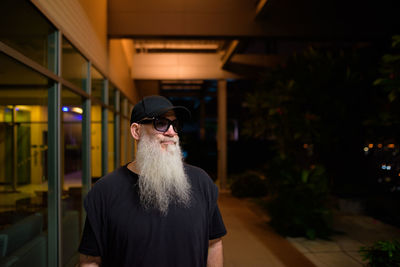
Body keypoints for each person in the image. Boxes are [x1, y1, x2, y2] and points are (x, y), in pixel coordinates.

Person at [78, 95, 227, 267]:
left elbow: (214, 243)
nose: (171, 132)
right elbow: (90, 261)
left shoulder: (202, 182)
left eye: (175, 125)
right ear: (136, 131)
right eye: (161, 123)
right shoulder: (105, 191)